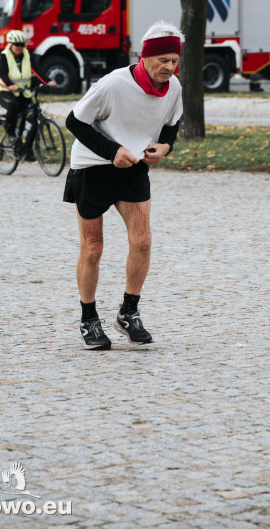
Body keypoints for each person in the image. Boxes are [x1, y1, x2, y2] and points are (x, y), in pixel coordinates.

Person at [64, 21, 184, 350]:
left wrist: (166, 146)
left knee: (143, 241)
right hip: (92, 167)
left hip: (133, 168)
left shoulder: (174, 88)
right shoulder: (113, 84)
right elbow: (74, 121)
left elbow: (173, 123)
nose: (169, 67)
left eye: (174, 60)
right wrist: (111, 151)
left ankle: (128, 314)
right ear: (143, 57)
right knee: (93, 248)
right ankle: (89, 319)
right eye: (163, 60)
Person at [0, 29, 57, 157]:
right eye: (17, 45)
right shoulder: (3, 56)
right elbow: (3, 74)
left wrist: (48, 81)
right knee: (13, 106)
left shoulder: (27, 56)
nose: (20, 48)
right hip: (3, 91)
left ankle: (27, 149)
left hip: (23, 92)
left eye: (22, 45)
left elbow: (37, 71)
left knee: (34, 115)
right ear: (10, 44)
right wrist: (10, 85)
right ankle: (11, 134)